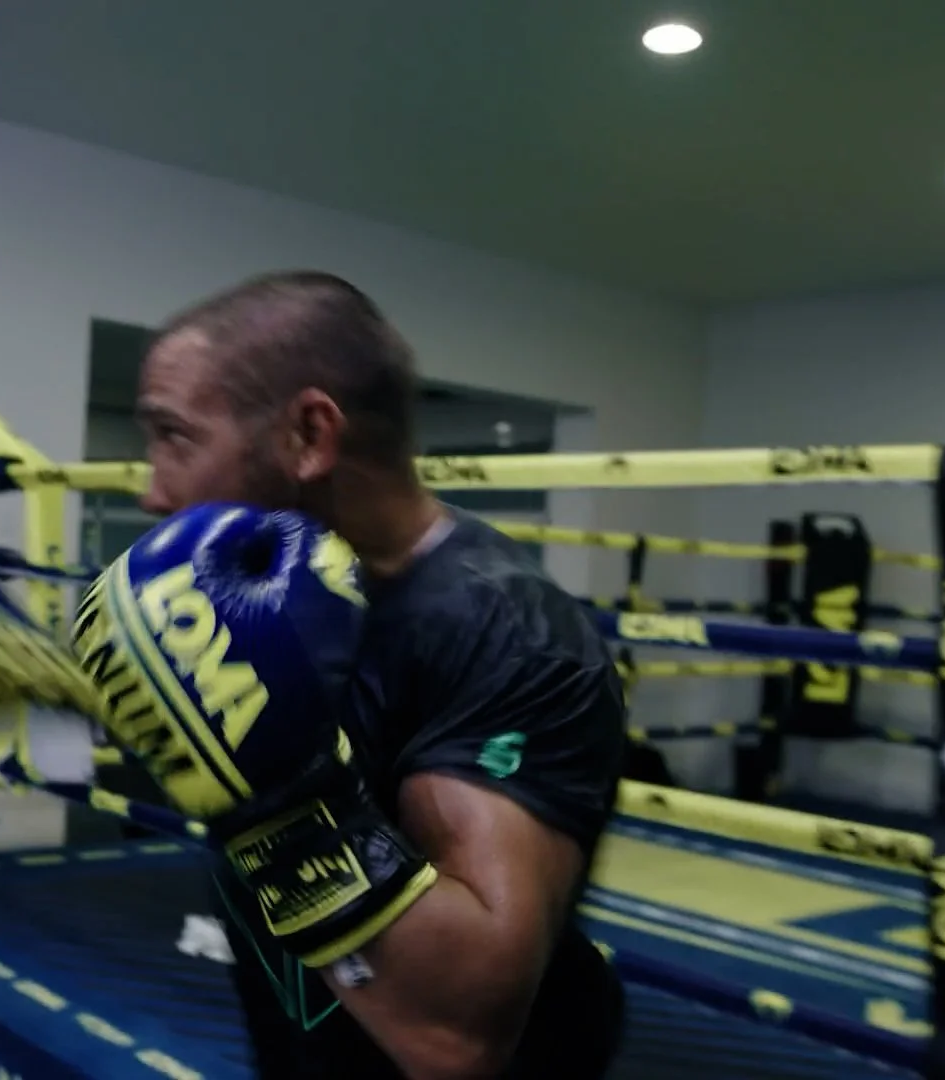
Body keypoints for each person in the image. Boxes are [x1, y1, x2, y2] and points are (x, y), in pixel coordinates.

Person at [129, 271, 627, 1078]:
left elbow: (457, 1032)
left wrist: (267, 780)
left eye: (175, 436)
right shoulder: (273, 598)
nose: (152, 491)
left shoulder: (507, 636)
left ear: (309, 436)